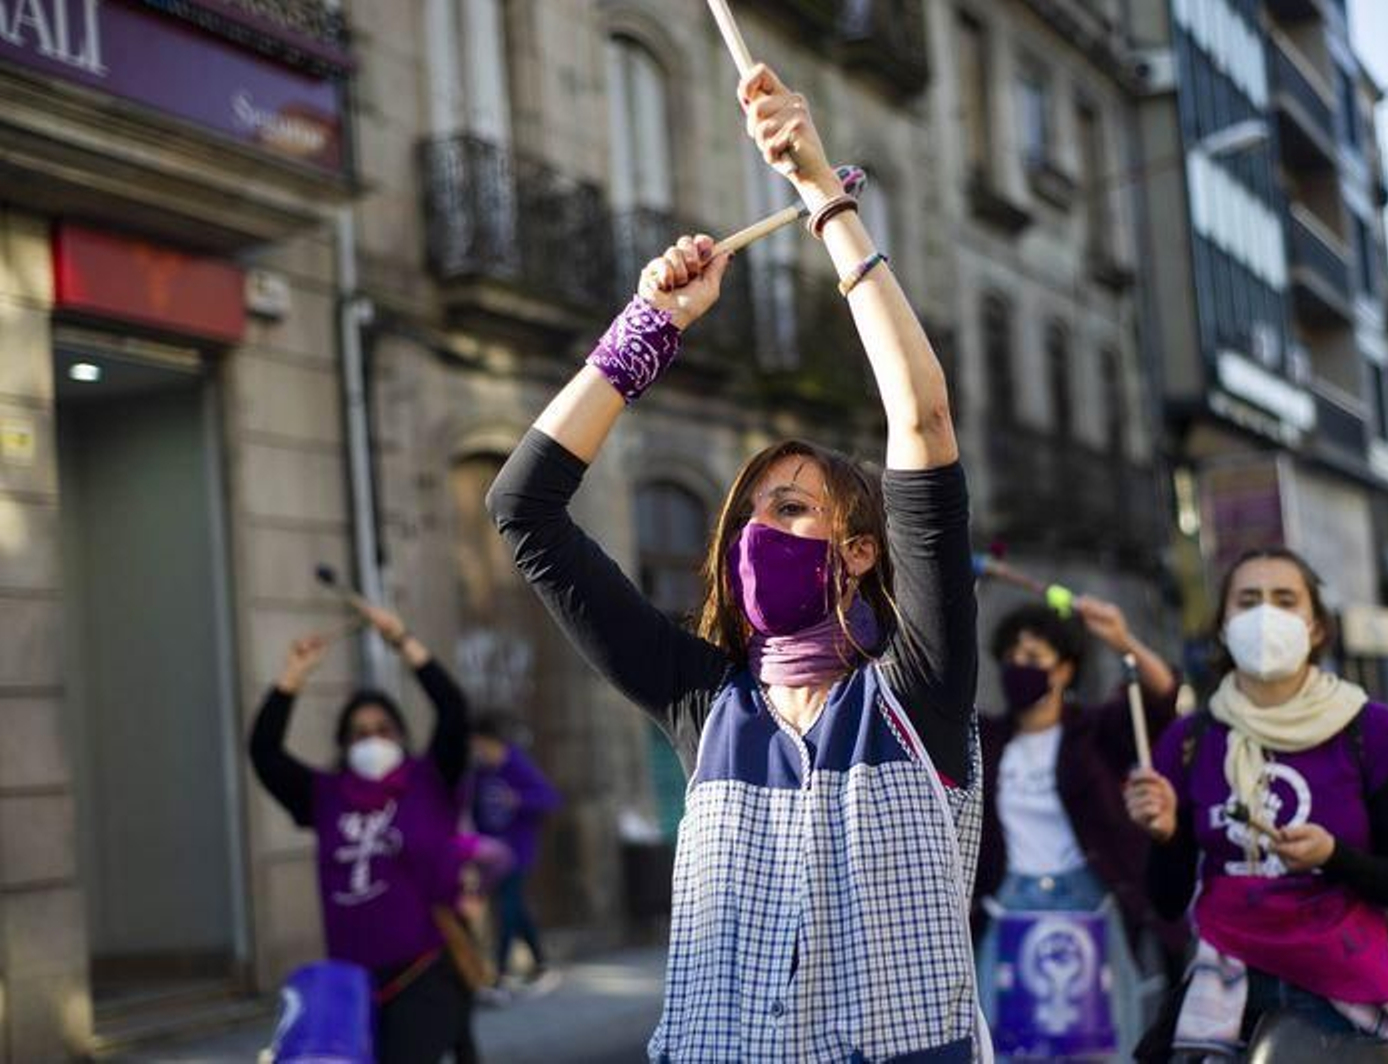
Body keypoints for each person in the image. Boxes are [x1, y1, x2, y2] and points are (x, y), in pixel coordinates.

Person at [485, 61, 985, 1061]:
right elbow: (524, 507)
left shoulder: (918, 692)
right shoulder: (705, 702)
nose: (758, 528)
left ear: (856, 551)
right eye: (747, 512)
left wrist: (818, 193)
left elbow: (921, 417)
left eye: (790, 507)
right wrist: (648, 329)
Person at [1122, 548, 1388, 1061]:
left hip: (1341, 990)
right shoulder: (1189, 740)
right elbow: (1166, 902)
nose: (1265, 616)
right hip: (1227, 987)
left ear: (1317, 628)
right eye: (1248, 601)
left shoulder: (1374, 730)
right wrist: (1165, 836)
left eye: (1285, 600)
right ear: (1223, 627)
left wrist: (1333, 857)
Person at [249, 602, 475, 1064]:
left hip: (423, 972)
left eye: (382, 729)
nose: (371, 739)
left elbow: (453, 711)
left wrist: (401, 640)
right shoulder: (325, 795)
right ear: (343, 744)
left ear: (400, 735)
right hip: (350, 986)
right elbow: (265, 752)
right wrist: (292, 677)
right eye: (358, 733)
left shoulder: (428, 781)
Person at [974, 599, 1186, 1056]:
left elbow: (1162, 695)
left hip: (1090, 902)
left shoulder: (1097, 732)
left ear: (1065, 670)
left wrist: (1121, 639)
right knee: (1005, 1044)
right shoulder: (984, 739)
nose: (1018, 668)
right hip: (1008, 905)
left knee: (1099, 1044)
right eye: (1010, 659)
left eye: (1032, 658)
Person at [468, 714, 563, 993]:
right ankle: (540, 962)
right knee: (516, 909)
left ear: (493, 742)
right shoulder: (480, 773)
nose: (479, 752)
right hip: (491, 856)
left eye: (482, 746)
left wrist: (518, 799)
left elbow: (550, 798)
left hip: (518, 852)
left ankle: (498, 973)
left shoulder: (517, 765)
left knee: (507, 909)